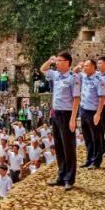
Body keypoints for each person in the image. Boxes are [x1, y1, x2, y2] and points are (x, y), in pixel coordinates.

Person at [41, 52, 81, 191]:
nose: (57, 62)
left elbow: (76, 99)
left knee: (68, 147)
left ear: (67, 62)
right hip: (56, 114)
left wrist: (73, 119)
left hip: (67, 114)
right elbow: (43, 69)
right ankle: (61, 175)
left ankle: (69, 178)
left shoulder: (73, 78)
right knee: (58, 146)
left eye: (59, 60)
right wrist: (49, 60)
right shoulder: (56, 75)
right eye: (56, 60)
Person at [78, 59, 105, 169]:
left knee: (96, 137)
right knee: (87, 137)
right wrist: (79, 66)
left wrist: (98, 113)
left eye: (86, 66)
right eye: (84, 66)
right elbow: (75, 71)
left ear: (93, 67)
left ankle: (96, 161)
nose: (84, 68)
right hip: (83, 110)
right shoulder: (84, 76)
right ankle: (89, 159)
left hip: (93, 111)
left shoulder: (99, 80)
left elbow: (102, 98)